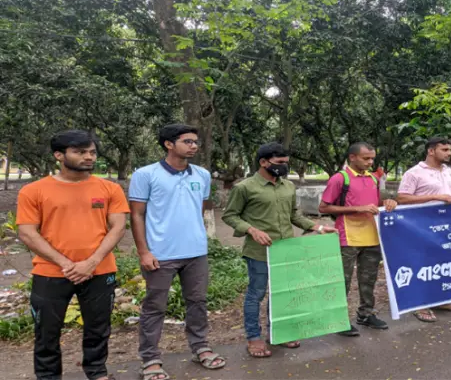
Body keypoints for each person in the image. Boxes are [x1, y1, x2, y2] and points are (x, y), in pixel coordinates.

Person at [17, 130, 129, 380]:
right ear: (59, 155)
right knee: (46, 331)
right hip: (50, 273)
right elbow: (27, 232)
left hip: (99, 271)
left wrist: (90, 263)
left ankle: (97, 372)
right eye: (79, 152)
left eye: (91, 152)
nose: (88, 157)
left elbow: (118, 227)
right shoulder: (33, 191)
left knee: (98, 328)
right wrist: (66, 263)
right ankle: (48, 376)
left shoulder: (109, 188)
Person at [222, 143, 337, 358]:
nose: (284, 166)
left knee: (283, 294)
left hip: (286, 250)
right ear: (263, 162)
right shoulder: (244, 188)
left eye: (286, 162)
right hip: (259, 252)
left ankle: (279, 333)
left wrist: (318, 227)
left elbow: (294, 215)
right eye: (279, 163)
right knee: (256, 294)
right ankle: (253, 337)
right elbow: (230, 216)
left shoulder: (288, 186)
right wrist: (251, 230)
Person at [129, 124, 226, 380]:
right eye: (187, 141)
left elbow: (202, 207)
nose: (193, 146)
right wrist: (144, 252)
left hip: (196, 252)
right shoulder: (145, 174)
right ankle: (150, 359)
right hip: (160, 254)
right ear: (168, 144)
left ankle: (200, 347)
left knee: (197, 303)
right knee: (154, 307)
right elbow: (137, 215)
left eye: (195, 142)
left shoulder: (202, 175)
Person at [319, 142, 397, 337]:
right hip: (347, 237)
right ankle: (339, 320)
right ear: (352, 157)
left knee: (368, 278)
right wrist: (357, 209)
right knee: (342, 280)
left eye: (372, 158)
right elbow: (324, 207)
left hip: (372, 235)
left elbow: (377, 203)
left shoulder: (372, 178)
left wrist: (389, 202)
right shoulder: (340, 178)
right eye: (366, 158)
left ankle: (366, 314)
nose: (370, 162)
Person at [396, 137, 451, 322]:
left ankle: (440, 299)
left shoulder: (449, 171)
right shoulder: (414, 173)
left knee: (442, 264)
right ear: (431, 151)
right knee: (422, 265)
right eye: (444, 149)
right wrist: (434, 196)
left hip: (446, 226)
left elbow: (450, 195)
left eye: (449, 150)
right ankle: (419, 304)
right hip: (421, 228)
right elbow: (402, 198)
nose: (449, 153)